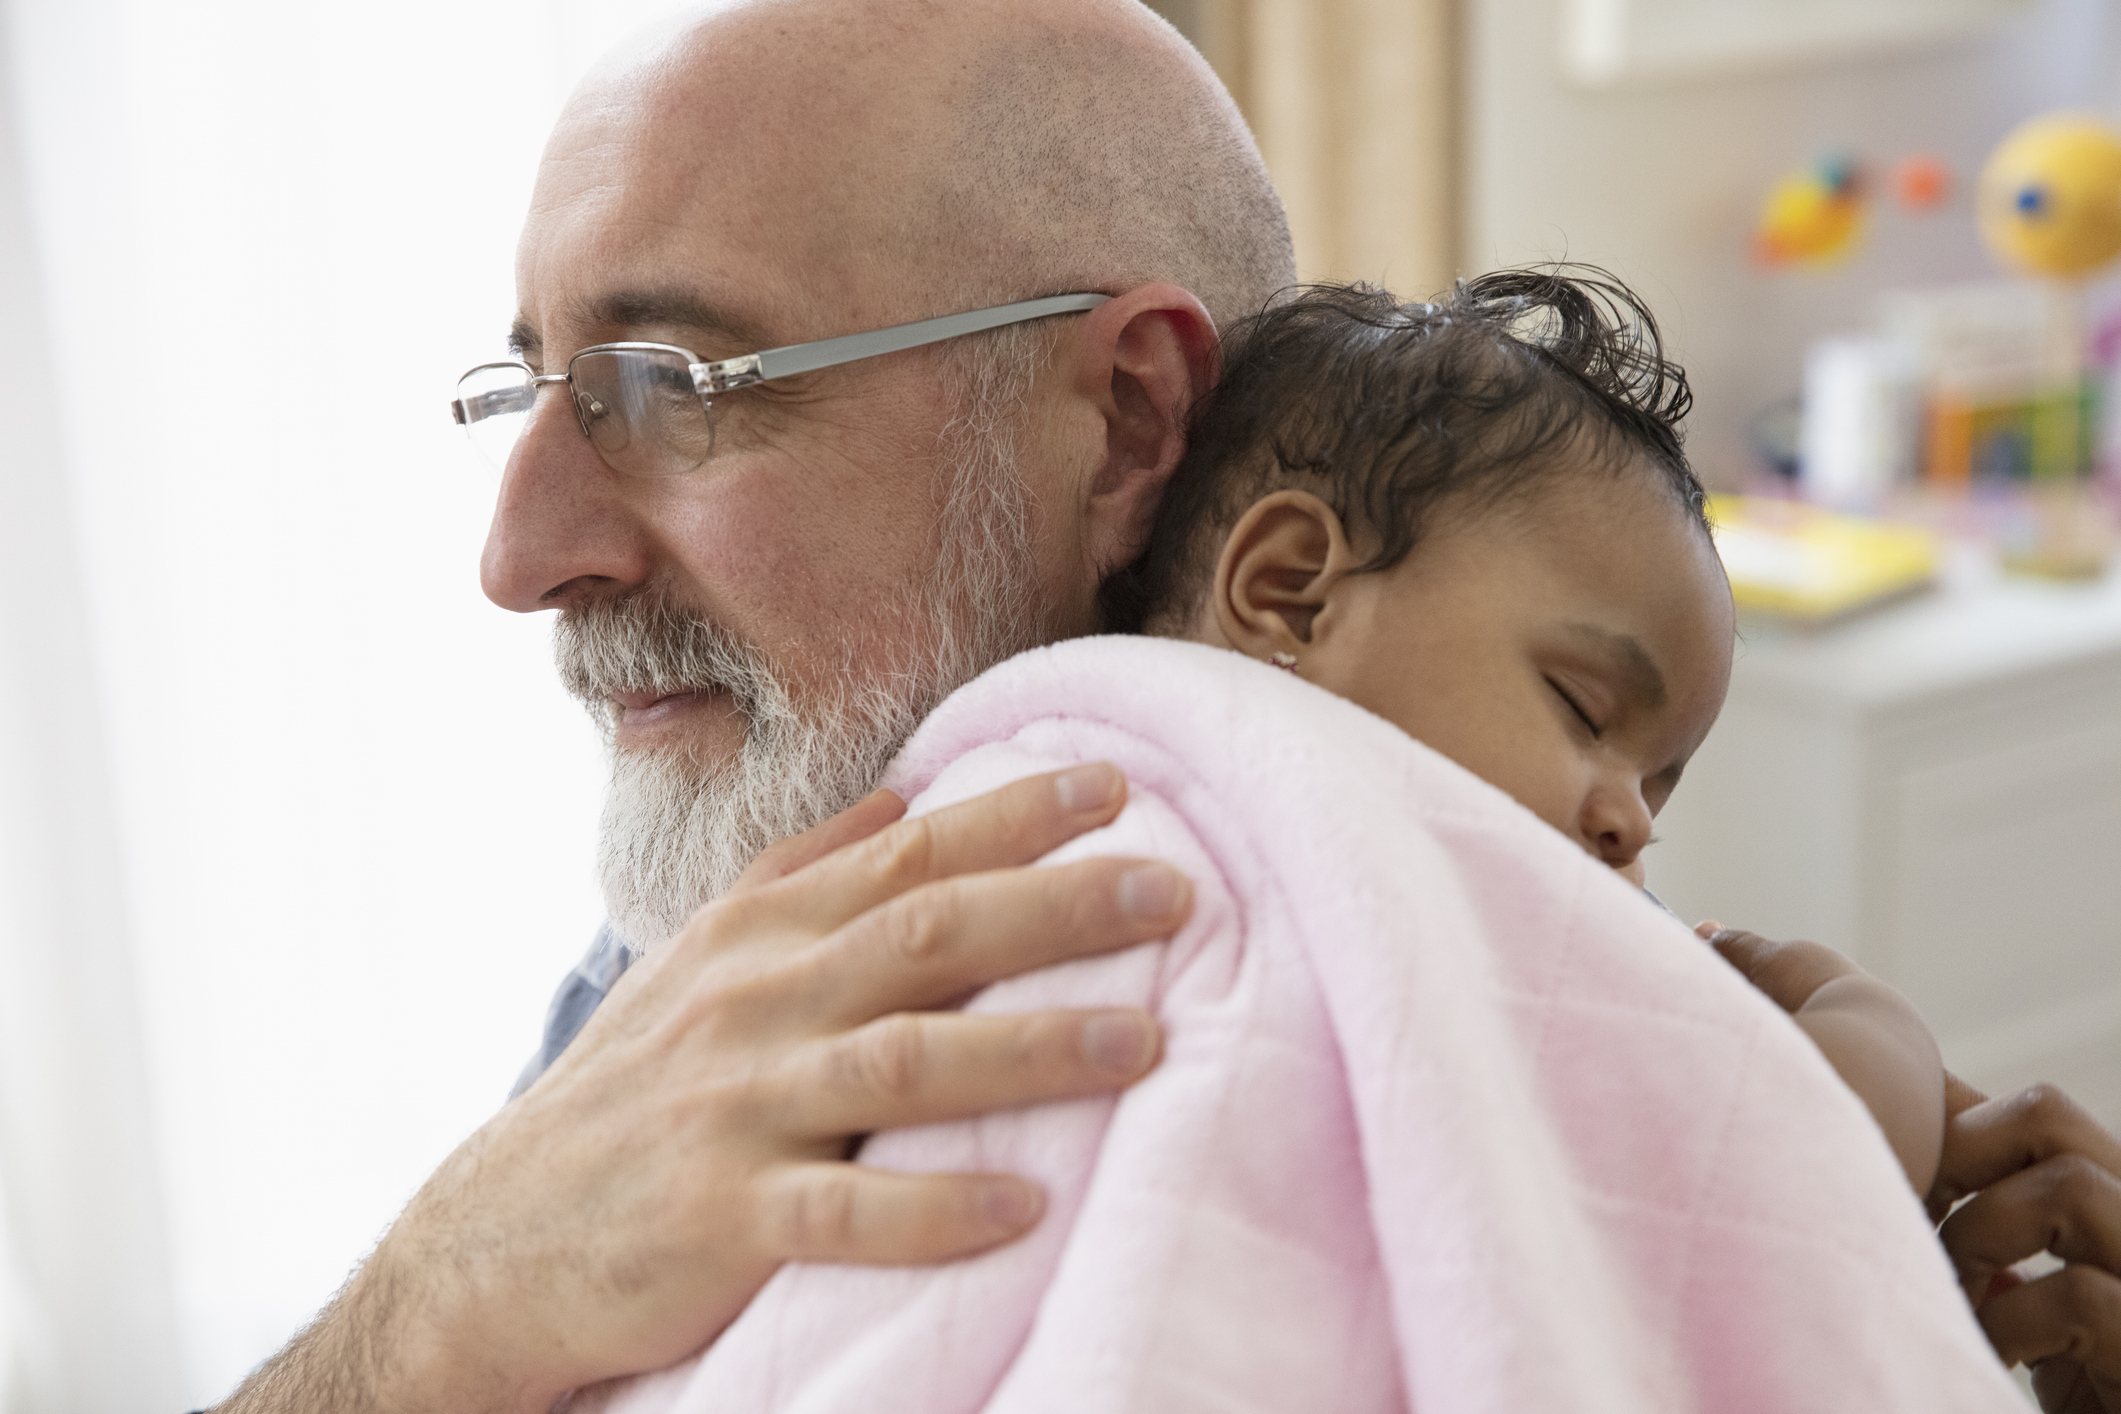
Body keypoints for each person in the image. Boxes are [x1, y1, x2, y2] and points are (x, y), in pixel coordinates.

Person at [213, 3, 2121, 1410]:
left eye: (669, 383)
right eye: (532, 384)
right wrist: (429, 1310)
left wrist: (1854, 1302)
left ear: (1129, 413)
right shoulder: (680, 996)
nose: (522, 551)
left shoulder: (1529, 965)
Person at [567, 271, 2011, 1413]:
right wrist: (1856, 1024)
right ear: (1288, 588)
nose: (1626, 816)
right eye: (1581, 707)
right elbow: (1768, 1159)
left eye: (1658, 787)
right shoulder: (1330, 847)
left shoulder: (999, 786)